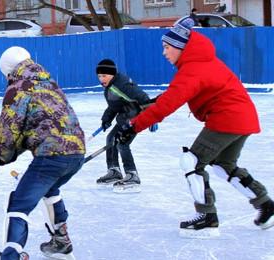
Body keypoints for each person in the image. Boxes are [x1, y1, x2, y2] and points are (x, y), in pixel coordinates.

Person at [115, 18, 274, 238]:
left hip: (226, 118)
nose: (164, 53)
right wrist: (147, 107)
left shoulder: (192, 68)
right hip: (242, 118)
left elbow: (170, 103)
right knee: (223, 164)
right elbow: (173, 96)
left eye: (167, 47)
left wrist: (133, 127)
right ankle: (266, 204)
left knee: (192, 161)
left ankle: (207, 217)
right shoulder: (202, 61)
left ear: (181, 47)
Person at [0, 46, 85, 260]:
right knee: (50, 188)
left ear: (9, 72)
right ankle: (61, 241)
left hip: (51, 156)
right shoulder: (48, 83)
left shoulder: (18, 87)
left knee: (19, 204)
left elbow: (8, 131)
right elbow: (43, 125)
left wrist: (4, 156)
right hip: (76, 152)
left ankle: (11, 254)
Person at [95, 59, 154, 193]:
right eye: (99, 76)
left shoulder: (123, 85)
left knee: (122, 142)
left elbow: (144, 98)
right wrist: (106, 119)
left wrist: (152, 118)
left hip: (136, 117)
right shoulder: (110, 87)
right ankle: (114, 170)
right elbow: (113, 106)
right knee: (111, 138)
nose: (101, 79)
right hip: (125, 118)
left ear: (112, 74)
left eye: (104, 75)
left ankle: (132, 174)